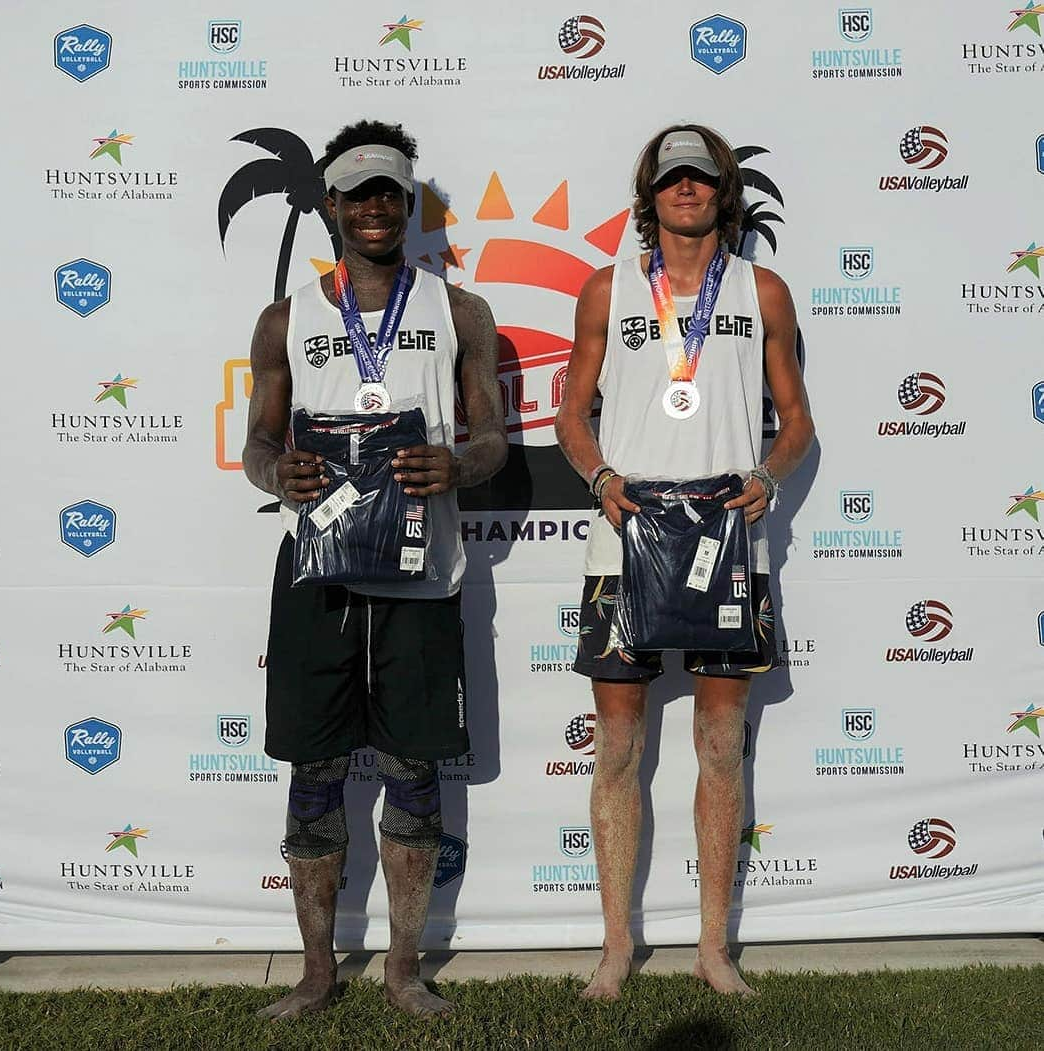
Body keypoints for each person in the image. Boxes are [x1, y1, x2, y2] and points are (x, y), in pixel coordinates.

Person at [243, 119, 505, 1019]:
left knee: (412, 765)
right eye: (357, 194)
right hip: (318, 570)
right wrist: (279, 472)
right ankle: (318, 972)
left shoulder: (458, 309)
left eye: (389, 192)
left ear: (408, 202)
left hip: (420, 572)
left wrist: (455, 466)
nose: (374, 208)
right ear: (331, 205)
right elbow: (256, 442)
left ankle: (401, 969)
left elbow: (492, 442)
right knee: (312, 767)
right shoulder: (286, 316)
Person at [554, 125, 814, 999]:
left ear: (723, 192)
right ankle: (614, 947)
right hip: (623, 536)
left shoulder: (763, 290)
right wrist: (597, 475)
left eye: (702, 178)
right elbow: (570, 414)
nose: (688, 190)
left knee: (716, 744)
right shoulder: (604, 289)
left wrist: (767, 478)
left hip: (724, 537)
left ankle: (712, 947)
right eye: (672, 180)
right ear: (650, 193)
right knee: (618, 746)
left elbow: (798, 421)